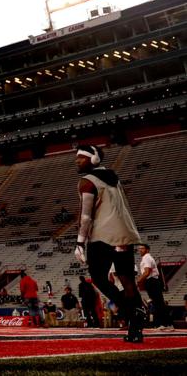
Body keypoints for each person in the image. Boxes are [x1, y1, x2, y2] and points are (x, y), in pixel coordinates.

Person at [73, 144, 146, 343]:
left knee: (98, 278)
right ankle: (136, 327)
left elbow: (86, 217)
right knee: (127, 280)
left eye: (81, 157)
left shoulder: (86, 182)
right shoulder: (113, 177)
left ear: (93, 159)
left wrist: (80, 243)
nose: (77, 160)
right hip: (125, 233)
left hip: (103, 236)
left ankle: (131, 310)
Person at [137, 244, 172, 330]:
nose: (140, 250)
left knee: (158, 303)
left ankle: (167, 323)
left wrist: (138, 280)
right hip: (152, 281)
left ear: (147, 250)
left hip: (152, 281)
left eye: (142, 248)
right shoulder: (146, 258)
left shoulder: (146, 258)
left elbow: (147, 272)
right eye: (139, 249)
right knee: (157, 303)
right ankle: (165, 323)